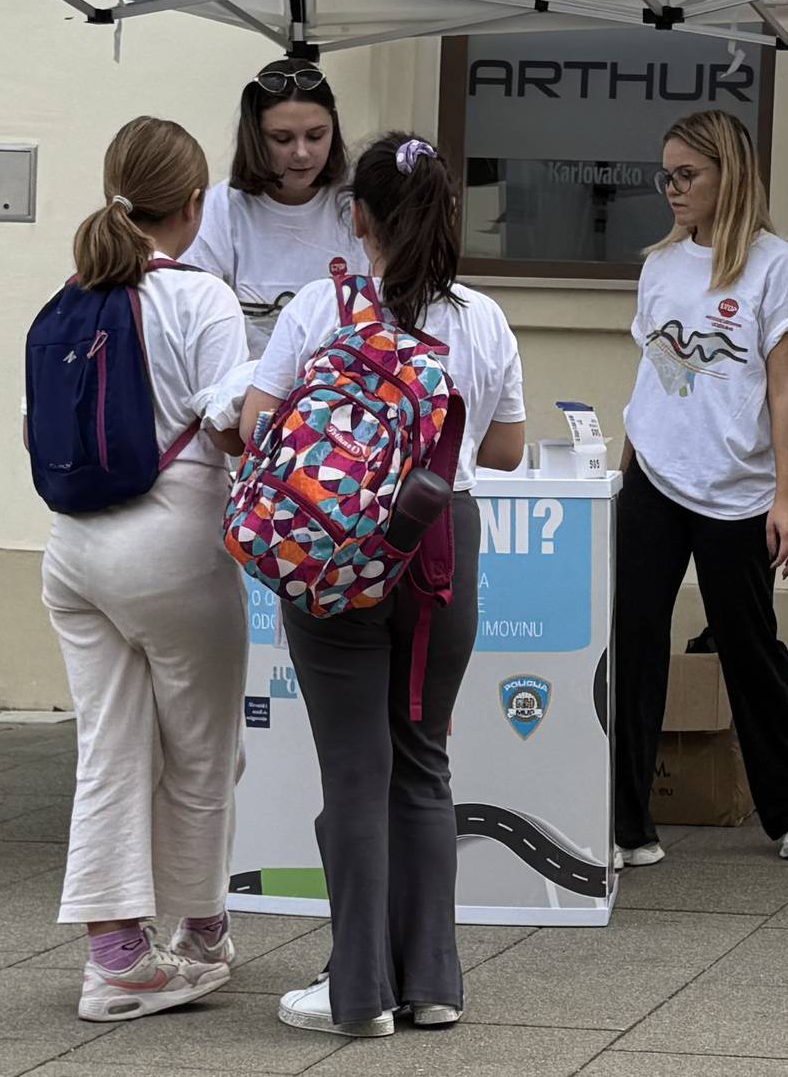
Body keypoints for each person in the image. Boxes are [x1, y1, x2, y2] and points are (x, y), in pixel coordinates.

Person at [217, 131, 526, 1039]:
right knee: (423, 761)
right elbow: (502, 448)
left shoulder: (321, 307)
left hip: (335, 550)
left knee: (356, 772)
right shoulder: (481, 317)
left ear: (357, 218)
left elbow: (259, 422)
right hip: (440, 546)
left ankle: (356, 993)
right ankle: (431, 981)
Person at [32, 116, 251, 1023]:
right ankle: (201, 933)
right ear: (194, 206)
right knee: (203, 756)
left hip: (73, 554)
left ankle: (117, 957)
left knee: (109, 753)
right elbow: (236, 426)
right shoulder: (203, 300)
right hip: (171, 554)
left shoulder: (69, 296)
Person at [612, 109, 788, 867]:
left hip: (737, 491)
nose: (673, 189)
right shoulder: (660, 266)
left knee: (747, 646)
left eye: (688, 175)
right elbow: (657, 375)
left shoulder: (779, 267)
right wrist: (625, 464)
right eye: (666, 175)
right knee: (632, 642)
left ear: (729, 175)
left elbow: (785, 391)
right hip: (651, 476)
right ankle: (626, 825)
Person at [183, 57, 368, 355]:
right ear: (254, 137)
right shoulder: (222, 210)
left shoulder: (355, 205)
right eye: (282, 139)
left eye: (316, 136)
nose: (302, 153)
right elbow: (197, 319)